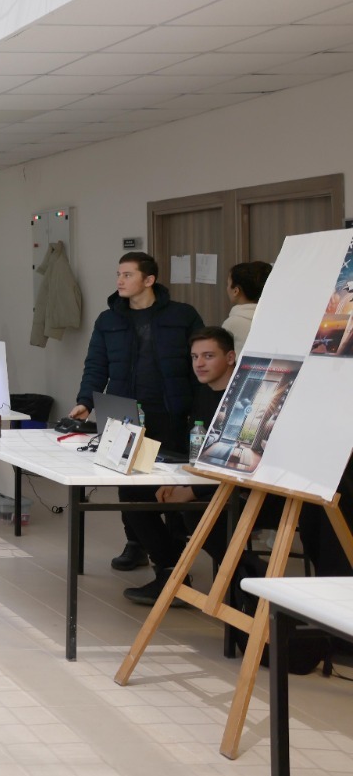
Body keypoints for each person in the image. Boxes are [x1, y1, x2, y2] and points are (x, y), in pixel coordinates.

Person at [67, 252, 203, 571]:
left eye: (127, 275)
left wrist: (200, 412)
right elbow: (96, 365)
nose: (120, 280)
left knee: (169, 481)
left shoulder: (183, 315)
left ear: (149, 280)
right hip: (125, 415)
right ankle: (137, 543)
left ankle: (173, 548)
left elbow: (197, 366)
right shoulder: (108, 320)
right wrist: (86, 401)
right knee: (130, 485)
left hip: (170, 413)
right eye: (119, 274)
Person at [122, 326, 237, 604]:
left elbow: (235, 465)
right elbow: (197, 452)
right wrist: (175, 480)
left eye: (208, 356)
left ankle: (246, 578)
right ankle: (170, 573)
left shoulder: (239, 399)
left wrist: (191, 491)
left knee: (191, 512)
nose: (199, 364)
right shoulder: (202, 393)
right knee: (132, 491)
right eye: (195, 357)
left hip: (232, 487)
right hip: (202, 478)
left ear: (231, 357)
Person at [222, 260, 270, 350]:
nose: (227, 288)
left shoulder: (232, 323)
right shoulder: (274, 317)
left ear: (236, 291)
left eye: (228, 284)